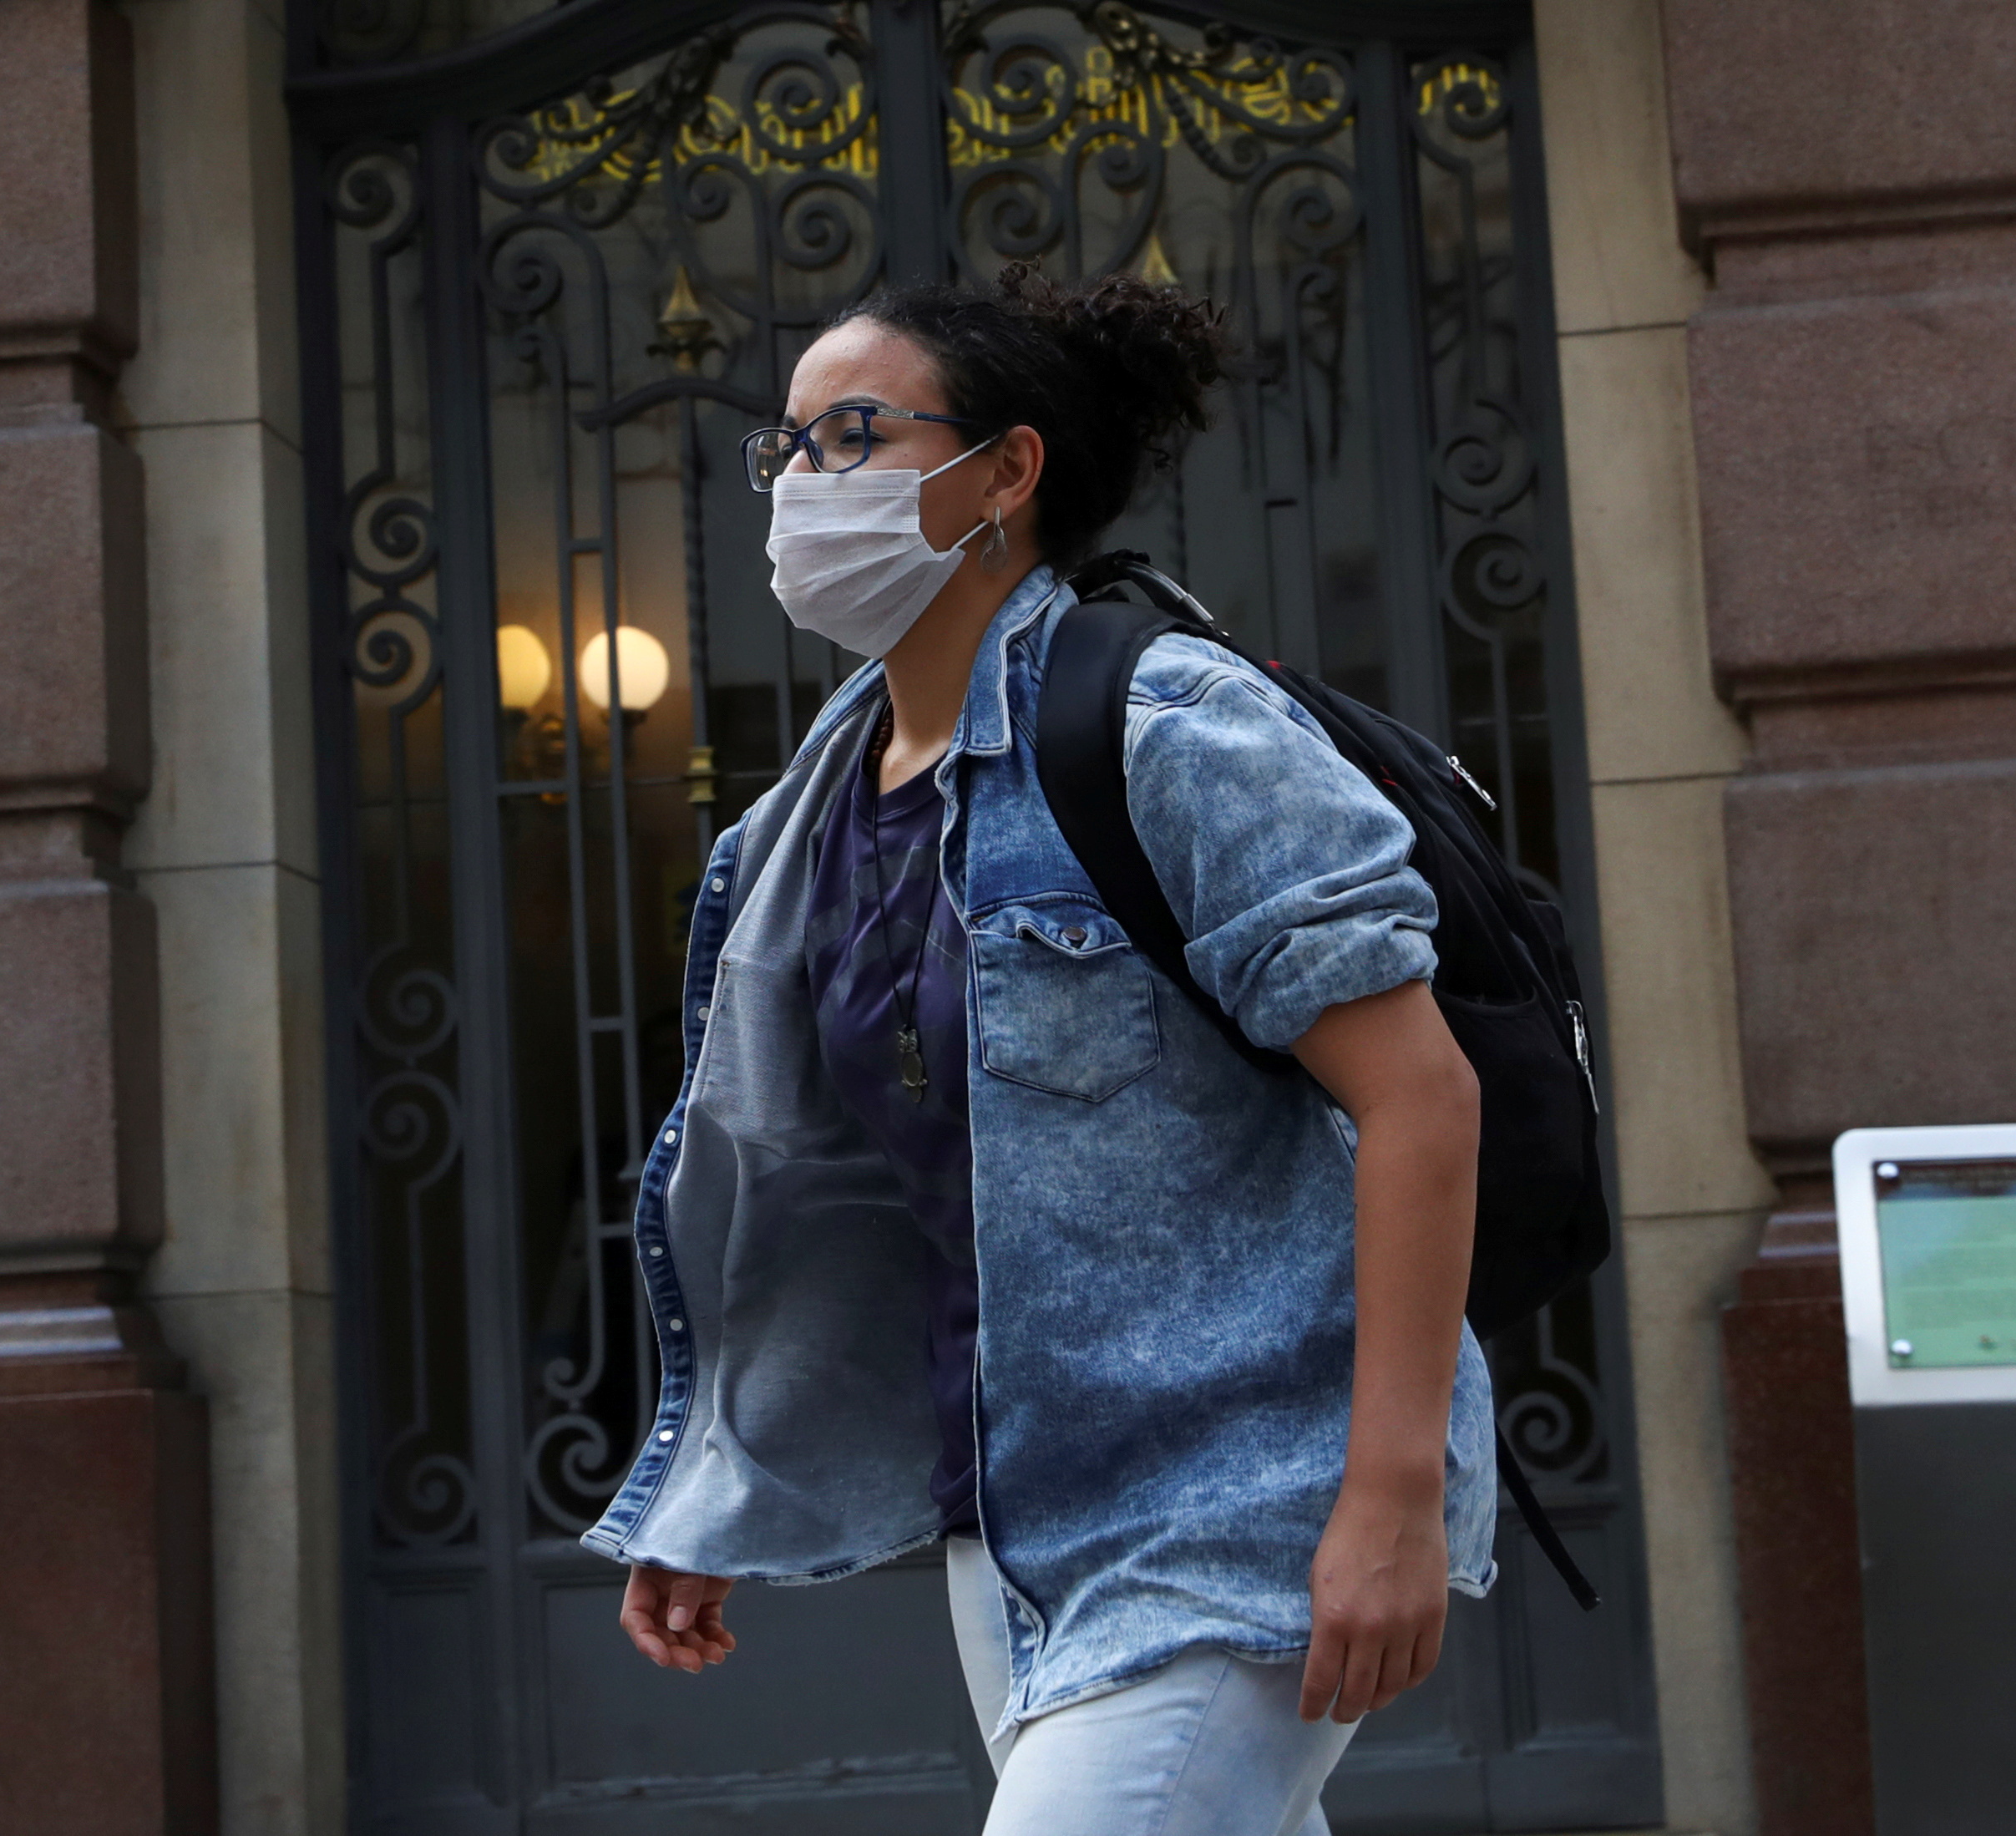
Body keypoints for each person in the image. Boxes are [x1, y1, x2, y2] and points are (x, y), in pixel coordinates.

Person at [586, 265, 1493, 1836]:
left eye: (855, 432)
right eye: (788, 447)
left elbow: (1421, 1096)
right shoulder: (807, 819)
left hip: (1237, 1507)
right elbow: (869, 1197)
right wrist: (725, 1483)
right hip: (1008, 1529)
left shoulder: (1165, 729)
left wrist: (1391, 1492)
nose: (805, 481)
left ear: (1004, 471)